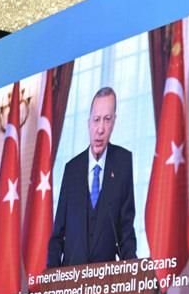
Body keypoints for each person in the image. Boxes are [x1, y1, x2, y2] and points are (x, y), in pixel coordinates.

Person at [47, 87, 137, 267]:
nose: (100, 129)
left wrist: (133, 273)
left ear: (114, 122)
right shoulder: (71, 169)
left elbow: (126, 232)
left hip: (105, 278)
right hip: (70, 278)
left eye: (107, 120)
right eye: (96, 120)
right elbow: (58, 236)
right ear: (88, 123)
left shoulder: (122, 163)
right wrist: (52, 277)